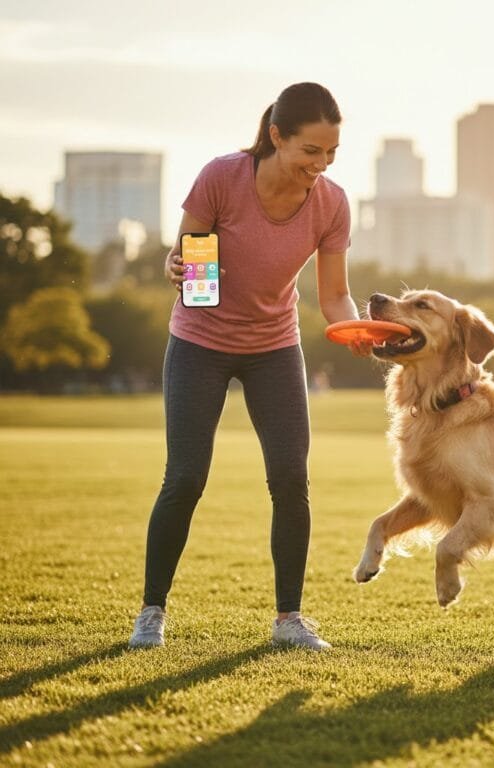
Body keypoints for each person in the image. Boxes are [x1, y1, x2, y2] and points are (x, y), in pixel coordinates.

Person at [129, 82, 368, 651]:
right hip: (201, 341)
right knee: (185, 476)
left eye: (331, 153)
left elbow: (334, 295)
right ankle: (152, 612)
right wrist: (179, 266)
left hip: (274, 347)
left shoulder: (331, 203)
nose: (321, 164)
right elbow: (192, 263)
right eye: (311, 150)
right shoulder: (222, 177)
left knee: (290, 478)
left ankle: (289, 620)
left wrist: (355, 326)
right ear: (276, 136)